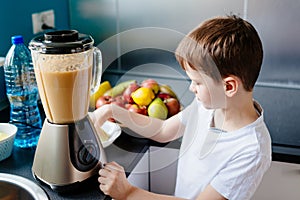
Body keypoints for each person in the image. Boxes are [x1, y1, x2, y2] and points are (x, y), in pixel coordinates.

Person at [89, 15, 272, 200]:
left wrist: (129, 193)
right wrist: (111, 111)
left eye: (198, 82)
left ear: (229, 86)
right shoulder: (208, 105)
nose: (192, 88)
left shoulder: (251, 150)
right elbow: (163, 130)